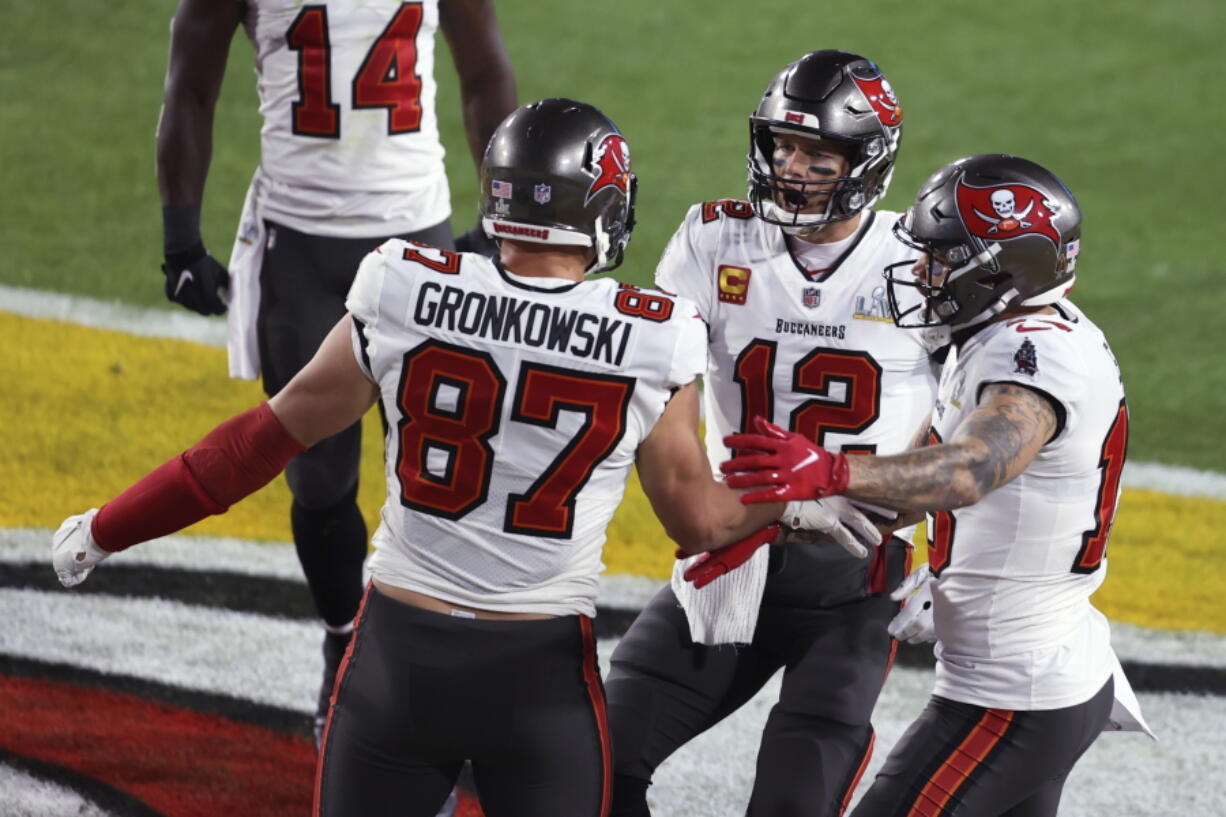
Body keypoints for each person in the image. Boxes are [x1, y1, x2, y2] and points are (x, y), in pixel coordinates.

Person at [56, 99, 788, 817]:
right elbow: (700, 521)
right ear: (599, 210)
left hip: (396, 665)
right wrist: (808, 488)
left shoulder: (406, 286)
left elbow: (253, 446)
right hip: (539, 677)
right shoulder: (651, 336)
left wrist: (106, 527)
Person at [722, 154, 1152, 817]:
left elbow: (972, 467)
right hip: (1040, 676)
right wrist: (793, 519)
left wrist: (833, 469)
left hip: (1013, 693)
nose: (922, 271)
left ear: (1008, 267)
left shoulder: (1032, 355)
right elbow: (929, 470)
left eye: (944, 256)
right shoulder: (1012, 334)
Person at [155, 0, 517, 742]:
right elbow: (190, 83)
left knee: (443, 476)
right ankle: (343, 638)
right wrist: (180, 240)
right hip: (298, 245)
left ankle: (447, 665)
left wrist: (496, 216)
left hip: (416, 233)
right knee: (318, 479)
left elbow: (483, 69)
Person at [605, 50, 948, 817]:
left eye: (817, 154)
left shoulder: (920, 267)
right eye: (782, 146)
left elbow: (964, 446)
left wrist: (945, 547)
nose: (791, 168)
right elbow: (663, 391)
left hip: (854, 579)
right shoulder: (712, 238)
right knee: (598, 763)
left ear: (866, 161)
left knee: (793, 802)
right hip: (731, 557)